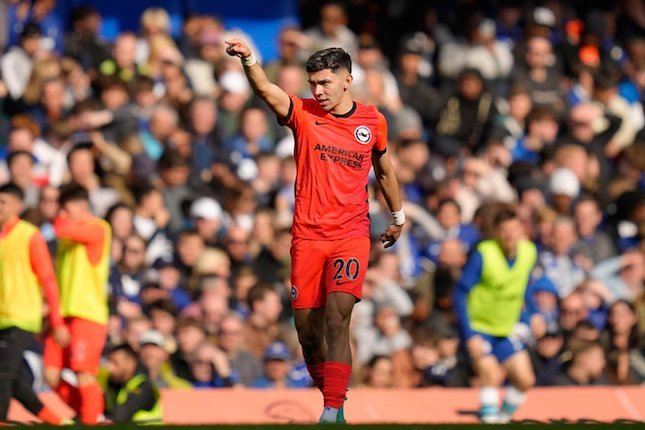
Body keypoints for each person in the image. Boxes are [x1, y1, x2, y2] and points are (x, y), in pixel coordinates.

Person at [225, 39, 404, 423]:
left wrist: (399, 216)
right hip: (307, 238)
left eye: (324, 82)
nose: (317, 91)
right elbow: (265, 90)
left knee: (339, 317)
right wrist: (250, 60)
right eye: (312, 83)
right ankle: (334, 399)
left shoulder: (373, 121)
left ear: (347, 80)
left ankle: (331, 409)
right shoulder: (303, 113)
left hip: (351, 235)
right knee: (308, 334)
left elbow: (385, 170)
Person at [454, 208, 543, 423]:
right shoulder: (484, 255)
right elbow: (460, 293)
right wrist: (469, 334)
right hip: (479, 327)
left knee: (525, 379)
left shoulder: (529, 252)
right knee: (492, 375)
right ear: (496, 233)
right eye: (504, 231)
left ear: (522, 230)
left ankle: (502, 417)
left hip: (505, 328)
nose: (510, 235)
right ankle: (489, 417)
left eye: (514, 229)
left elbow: (525, 286)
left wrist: (534, 313)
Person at [0, 182, 70, 425]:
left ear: (18, 205)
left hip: (21, 316)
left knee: (2, 373)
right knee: (15, 381)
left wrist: (57, 321)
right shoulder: (2, 236)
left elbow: (48, 279)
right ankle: (58, 422)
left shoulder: (29, 235)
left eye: (3, 202)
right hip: (3, 317)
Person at [43, 182, 112, 424]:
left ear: (82, 205)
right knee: (50, 375)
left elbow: (61, 227)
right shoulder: (68, 237)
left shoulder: (99, 228)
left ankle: (91, 420)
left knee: (84, 373)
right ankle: (89, 414)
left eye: (66, 206)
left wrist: (58, 217)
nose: (62, 212)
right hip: (64, 316)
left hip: (88, 315)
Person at [100, 344, 163, 423]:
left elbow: (121, 415)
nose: (109, 367)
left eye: (115, 363)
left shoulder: (144, 387)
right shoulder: (115, 384)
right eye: (109, 361)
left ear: (130, 363)